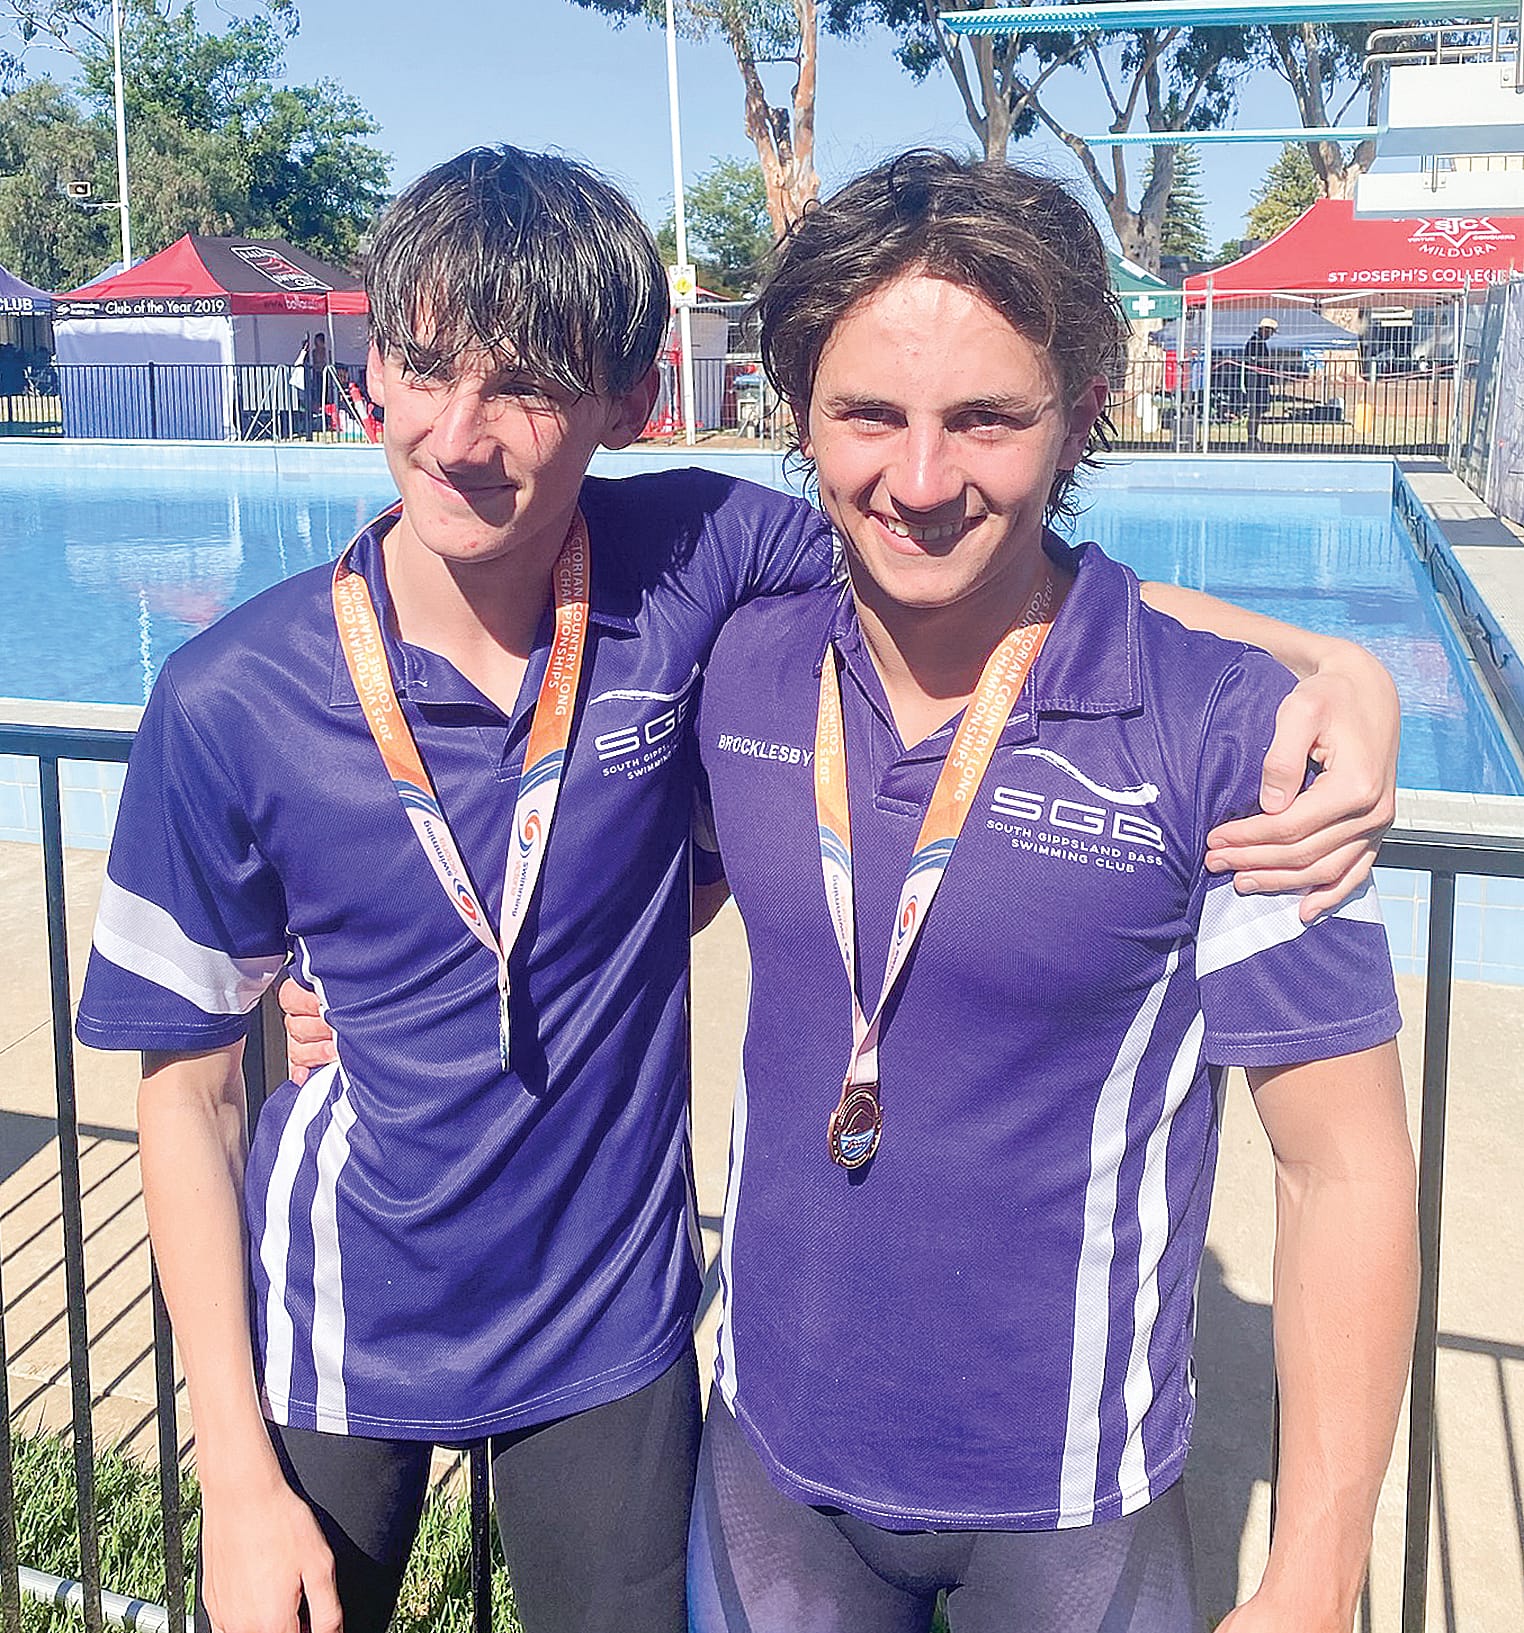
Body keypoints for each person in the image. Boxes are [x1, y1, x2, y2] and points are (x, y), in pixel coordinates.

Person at [79, 144, 1395, 1633]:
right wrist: (234, 1475)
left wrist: (1329, 662)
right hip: (395, 1347)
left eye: (527, 386)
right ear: (370, 367)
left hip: (649, 1355)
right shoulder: (245, 693)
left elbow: (978, 559)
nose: (460, 434)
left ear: (625, 403)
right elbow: (193, 1090)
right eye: (425, 368)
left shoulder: (696, 566)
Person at [685, 153, 1417, 1633]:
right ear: (799, 412)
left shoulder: (1227, 736)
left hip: (1077, 1501)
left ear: (1082, 413)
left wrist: (1317, 1572)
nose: (921, 480)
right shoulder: (742, 663)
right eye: (868, 415)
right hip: (772, 1457)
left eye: (987, 420)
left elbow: (1344, 1168)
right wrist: (340, 992)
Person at [1243, 315, 1279, 444]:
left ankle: (1254, 435)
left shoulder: (1260, 343)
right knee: (1254, 410)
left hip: (1261, 382)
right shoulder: (1254, 342)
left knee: (1258, 410)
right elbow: (1254, 361)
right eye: (1270, 332)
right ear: (1265, 330)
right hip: (1255, 382)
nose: (1270, 335)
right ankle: (1251, 436)